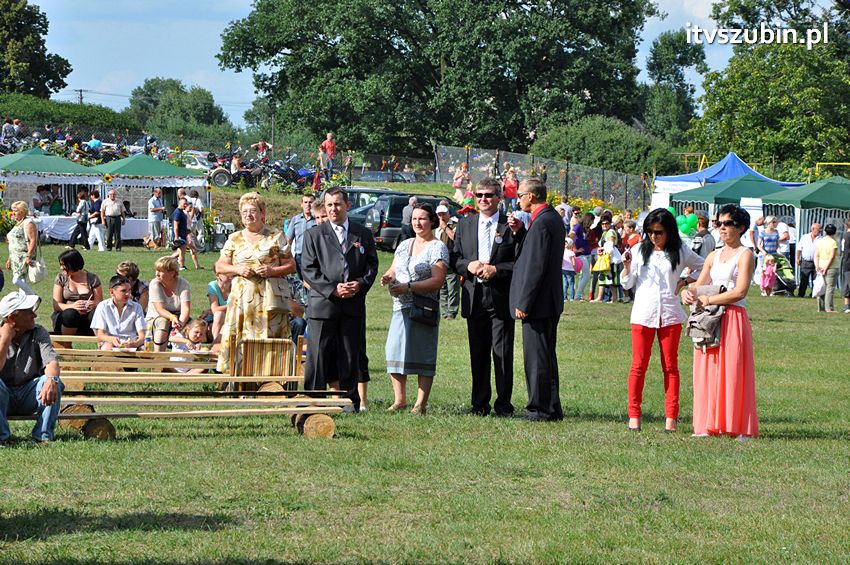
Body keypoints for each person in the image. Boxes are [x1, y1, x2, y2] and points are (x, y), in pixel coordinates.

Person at [620, 208, 704, 433]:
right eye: (649, 232)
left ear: (669, 232)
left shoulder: (680, 250)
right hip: (643, 314)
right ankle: (634, 415)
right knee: (638, 365)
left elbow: (704, 266)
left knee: (670, 366)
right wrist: (627, 267)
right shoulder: (638, 250)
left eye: (658, 232)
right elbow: (627, 285)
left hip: (670, 313)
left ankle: (671, 418)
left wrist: (686, 281)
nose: (653, 236)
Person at [683, 204, 758, 439]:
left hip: (733, 317)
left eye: (727, 224)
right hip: (710, 317)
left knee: (733, 371)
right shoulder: (713, 255)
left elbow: (741, 291)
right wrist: (688, 291)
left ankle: (738, 426)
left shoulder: (745, 255)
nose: (722, 228)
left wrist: (709, 298)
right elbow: (699, 284)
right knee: (707, 368)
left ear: (741, 228)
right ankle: (707, 424)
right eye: (719, 223)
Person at [301, 187, 379, 410]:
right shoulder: (314, 235)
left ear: (347, 205)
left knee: (349, 353)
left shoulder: (362, 234)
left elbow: (372, 265)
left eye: (337, 204)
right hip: (323, 305)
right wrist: (333, 289)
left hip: (352, 305)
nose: (333, 209)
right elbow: (308, 269)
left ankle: (348, 402)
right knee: (318, 356)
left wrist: (360, 284)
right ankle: (313, 402)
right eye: (329, 205)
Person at [450, 178, 517, 417]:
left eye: (488, 195)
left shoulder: (511, 226)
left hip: (500, 296)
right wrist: (469, 265)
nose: (483, 200)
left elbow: (519, 263)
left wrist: (497, 270)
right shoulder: (466, 225)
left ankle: (503, 405)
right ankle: (479, 404)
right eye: (479, 195)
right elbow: (454, 259)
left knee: (502, 353)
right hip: (474, 295)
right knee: (477, 353)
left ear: (499, 197)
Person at [215, 192, 296, 374]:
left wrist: (271, 271)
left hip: (269, 301)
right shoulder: (234, 238)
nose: (248, 215)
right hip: (241, 302)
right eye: (244, 212)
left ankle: (270, 378)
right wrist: (238, 270)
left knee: (269, 337)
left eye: (252, 211)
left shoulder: (276, 236)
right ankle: (238, 379)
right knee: (241, 336)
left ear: (262, 213)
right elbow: (220, 266)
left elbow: (291, 265)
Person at [381, 204, 448, 414]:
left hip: (423, 307)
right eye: (414, 219)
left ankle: (420, 404)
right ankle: (399, 400)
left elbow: (438, 280)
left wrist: (409, 287)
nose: (417, 223)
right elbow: (393, 269)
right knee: (394, 349)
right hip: (400, 306)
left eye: (423, 219)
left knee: (422, 353)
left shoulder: (438, 247)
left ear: (432, 222)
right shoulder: (404, 244)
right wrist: (388, 278)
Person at [508, 179, 566, 421]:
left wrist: (524, 302)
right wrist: (521, 231)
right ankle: (551, 407)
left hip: (538, 303)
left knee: (537, 358)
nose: (518, 198)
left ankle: (539, 409)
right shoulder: (549, 218)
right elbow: (535, 252)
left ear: (531, 196)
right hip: (547, 301)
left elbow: (535, 266)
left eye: (520, 194)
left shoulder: (543, 222)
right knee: (545, 356)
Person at [0, 290, 63, 445]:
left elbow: (51, 362)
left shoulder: (39, 332)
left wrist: (51, 379)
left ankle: (43, 435)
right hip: (3, 396)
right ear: (11, 318)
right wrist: (5, 339)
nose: (34, 315)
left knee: (53, 381)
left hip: (29, 394)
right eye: (29, 312)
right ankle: (2, 437)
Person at [51, 249, 102, 337]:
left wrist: (93, 304)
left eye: (64, 265)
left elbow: (100, 303)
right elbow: (56, 305)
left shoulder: (93, 279)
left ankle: (101, 345)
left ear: (73, 264)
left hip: (87, 318)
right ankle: (66, 346)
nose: (61, 268)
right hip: (67, 318)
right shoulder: (61, 278)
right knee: (70, 314)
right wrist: (73, 306)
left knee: (95, 314)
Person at [146, 256, 192, 352]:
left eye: (160, 271)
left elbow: (185, 309)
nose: (156, 274)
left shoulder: (183, 284)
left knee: (195, 327)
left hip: (177, 317)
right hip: (157, 317)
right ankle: (158, 358)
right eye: (156, 270)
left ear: (172, 273)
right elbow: (160, 309)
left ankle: (189, 360)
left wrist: (181, 323)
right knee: (163, 322)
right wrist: (172, 317)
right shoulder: (154, 284)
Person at [91, 275, 146, 350]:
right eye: (123, 291)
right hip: (110, 343)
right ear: (112, 292)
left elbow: (142, 336)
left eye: (129, 290)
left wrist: (135, 343)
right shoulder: (103, 306)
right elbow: (100, 334)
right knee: (108, 347)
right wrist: (111, 339)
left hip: (131, 343)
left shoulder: (137, 307)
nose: (128, 294)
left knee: (143, 350)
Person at [5, 201, 39, 295]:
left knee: (16, 280)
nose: (13, 213)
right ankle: (25, 303)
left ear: (22, 211)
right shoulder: (18, 223)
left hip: (23, 256)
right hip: (15, 257)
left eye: (15, 211)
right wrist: (10, 259)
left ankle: (33, 296)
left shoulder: (28, 223)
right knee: (22, 281)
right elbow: (14, 242)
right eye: (12, 211)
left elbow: (33, 240)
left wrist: (28, 256)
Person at [435, 204, 459, 320]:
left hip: (451, 260)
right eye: (439, 214)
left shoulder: (454, 225)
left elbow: (455, 238)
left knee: (452, 287)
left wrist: (445, 227)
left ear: (448, 213)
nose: (441, 217)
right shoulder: (435, 227)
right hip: (438, 262)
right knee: (442, 287)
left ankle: (452, 312)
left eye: (443, 214)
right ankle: (444, 312)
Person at [286, 194, 317, 278]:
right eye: (305, 202)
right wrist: (287, 257)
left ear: (314, 204)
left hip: (314, 257)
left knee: (314, 282)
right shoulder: (295, 219)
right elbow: (288, 240)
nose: (308, 204)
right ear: (301, 204)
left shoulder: (318, 219)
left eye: (310, 202)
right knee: (301, 282)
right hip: (299, 257)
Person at [814, 223, 839, 313]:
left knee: (821, 286)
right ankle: (829, 308)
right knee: (829, 288)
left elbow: (816, 255)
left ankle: (820, 307)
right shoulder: (833, 242)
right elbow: (832, 257)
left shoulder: (820, 241)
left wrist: (817, 266)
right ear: (834, 232)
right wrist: (826, 267)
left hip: (820, 266)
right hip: (831, 267)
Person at [171, 197, 201, 270]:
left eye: (186, 204)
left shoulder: (182, 212)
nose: (185, 205)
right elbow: (176, 225)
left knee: (182, 251)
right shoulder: (178, 212)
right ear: (180, 203)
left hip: (184, 234)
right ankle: (181, 266)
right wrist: (176, 237)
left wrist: (188, 231)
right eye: (184, 204)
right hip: (180, 235)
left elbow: (184, 225)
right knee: (181, 251)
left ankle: (181, 265)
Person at [571, 212, 594, 301]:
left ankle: (578, 295)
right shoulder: (578, 226)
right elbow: (570, 237)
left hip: (587, 253)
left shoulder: (585, 229)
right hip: (580, 255)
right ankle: (577, 295)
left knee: (583, 276)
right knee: (587, 275)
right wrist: (575, 249)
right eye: (592, 220)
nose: (592, 223)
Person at [796, 223, 821, 297]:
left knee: (816, 280)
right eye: (818, 229)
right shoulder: (805, 237)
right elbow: (799, 248)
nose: (820, 231)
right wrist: (797, 258)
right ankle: (801, 294)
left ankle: (814, 294)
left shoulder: (821, 239)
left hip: (817, 262)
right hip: (806, 261)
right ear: (813, 229)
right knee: (804, 279)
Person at [206, 271, 232, 342]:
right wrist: (233, 305)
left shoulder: (237, 286)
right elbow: (215, 310)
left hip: (231, 319)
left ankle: (216, 344)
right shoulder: (213, 285)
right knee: (219, 314)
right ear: (217, 275)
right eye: (227, 273)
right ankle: (216, 344)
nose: (231, 275)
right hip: (214, 321)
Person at [562, 237, 577, 302]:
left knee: (565, 283)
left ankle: (564, 298)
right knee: (571, 284)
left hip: (563, 269)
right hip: (570, 270)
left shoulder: (562, 252)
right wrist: (574, 268)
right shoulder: (571, 253)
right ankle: (571, 298)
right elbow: (574, 262)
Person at [843, 219, 850, 314]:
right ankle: (847, 306)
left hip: (847, 262)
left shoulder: (846, 235)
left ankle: (847, 306)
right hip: (848, 262)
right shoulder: (847, 236)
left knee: (847, 285)